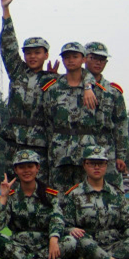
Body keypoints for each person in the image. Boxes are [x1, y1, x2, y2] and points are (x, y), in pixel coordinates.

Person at [0, 0, 94, 180]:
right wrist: (6, 11)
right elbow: (8, 46)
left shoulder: (54, 80)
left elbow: (79, 74)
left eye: (37, 53)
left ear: (46, 55)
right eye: (28, 53)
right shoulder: (17, 72)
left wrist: (88, 86)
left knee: (41, 186)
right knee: (13, 185)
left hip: (41, 144)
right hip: (15, 141)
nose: (32, 57)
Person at [50, 145, 129, 259]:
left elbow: (126, 225)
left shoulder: (116, 193)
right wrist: (71, 230)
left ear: (106, 165)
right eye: (92, 163)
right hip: (88, 243)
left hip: (114, 243)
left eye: (101, 163)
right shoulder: (74, 194)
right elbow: (65, 226)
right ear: (84, 165)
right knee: (76, 241)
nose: (96, 167)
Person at [41, 42, 102, 190]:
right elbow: (48, 121)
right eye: (67, 57)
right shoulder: (53, 89)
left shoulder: (95, 90)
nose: (71, 60)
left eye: (75, 56)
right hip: (60, 150)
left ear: (84, 59)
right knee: (58, 193)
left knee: (86, 192)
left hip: (86, 149)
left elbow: (100, 122)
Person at [0, 150, 67, 259]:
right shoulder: (11, 196)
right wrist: (4, 197)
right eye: (21, 167)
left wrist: (54, 239)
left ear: (37, 168)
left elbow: (57, 218)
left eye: (30, 166)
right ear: (16, 170)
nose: (26, 171)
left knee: (71, 241)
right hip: (19, 244)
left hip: (45, 243)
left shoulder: (49, 195)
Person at [83, 42, 129, 189]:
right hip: (80, 147)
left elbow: (121, 124)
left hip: (106, 149)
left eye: (102, 59)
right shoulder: (72, 87)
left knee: (113, 190)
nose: (98, 62)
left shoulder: (113, 91)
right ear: (84, 58)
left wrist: (121, 155)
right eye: (94, 58)